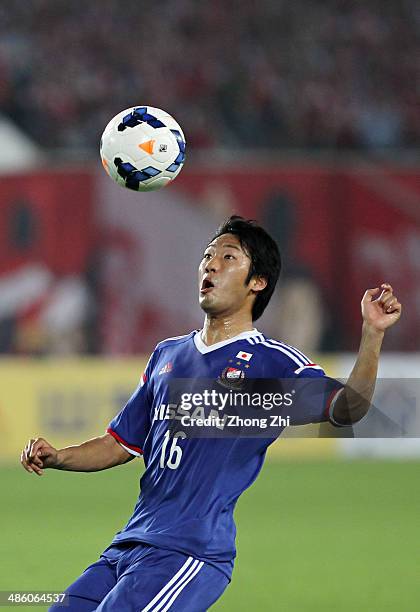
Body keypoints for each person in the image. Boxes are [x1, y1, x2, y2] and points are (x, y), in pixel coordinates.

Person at [21, 216, 402, 611]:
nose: (211, 264)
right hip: (129, 545)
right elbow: (118, 444)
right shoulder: (168, 355)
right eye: (207, 256)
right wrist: (59, 457)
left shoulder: (270, 363)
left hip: (189, 552)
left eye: (228, 256)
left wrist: (371, 335)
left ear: (258, 282)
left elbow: (348, 409)